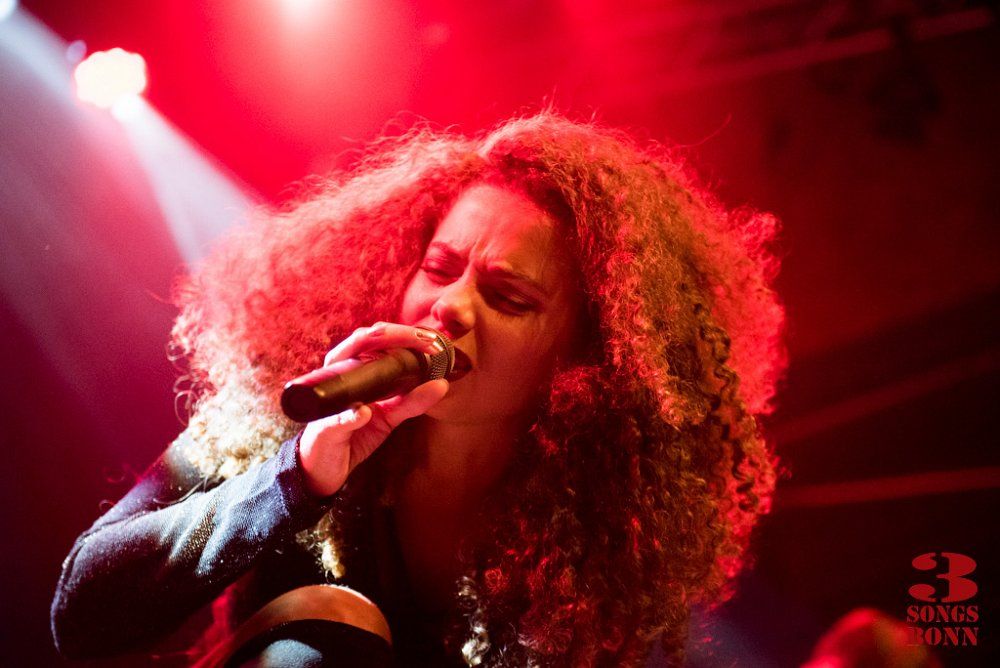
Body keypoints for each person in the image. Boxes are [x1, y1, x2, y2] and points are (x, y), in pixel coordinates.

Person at [51, 111, 786, 666]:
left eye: (508, 297)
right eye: (439, 268)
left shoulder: (593, 555)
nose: (450, 307)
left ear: (585, 364)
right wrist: (292, 479)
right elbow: (82, 611)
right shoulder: (287, 404)